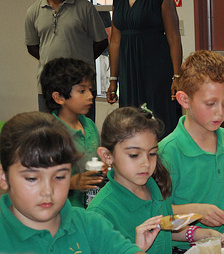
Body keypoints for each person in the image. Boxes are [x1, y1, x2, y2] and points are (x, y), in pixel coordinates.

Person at [87, 107, 224, 253]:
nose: (146, 163)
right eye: (134, 155)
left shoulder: (154, 186)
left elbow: (165, 229)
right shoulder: (99, 214)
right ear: (107, 156)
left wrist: (202, 234)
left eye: (152, 153)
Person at [0, 111, 145, 253]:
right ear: (3, 177)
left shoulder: (90, 225)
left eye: (60, 177)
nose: (48, 191)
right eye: (32, 178)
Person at [159, 50, 224, 251]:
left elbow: (217, 192)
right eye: (210, 104)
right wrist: (197, 212)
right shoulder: (168, 152)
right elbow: (158, 214)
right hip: (185, 247)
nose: (220, 112)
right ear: (184, 100)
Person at [106, 0, 182, 137]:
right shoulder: (118, 2)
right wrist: (113, 80)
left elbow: (173, 37)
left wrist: (176, 76)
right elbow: (115, 42)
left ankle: (161, 156)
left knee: (158, 117)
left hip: (156, 68)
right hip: (128, 71)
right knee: (129, 120)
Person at [25, 0, 109, 121]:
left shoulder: (86, 8)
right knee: (50, 131)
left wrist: (80, 66)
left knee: (83, 132)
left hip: (80, 85)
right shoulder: (33, 11)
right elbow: (31, 46)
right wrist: (56, 67)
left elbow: (101, 41)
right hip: (49, 85)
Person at [41, 57, 103, 208]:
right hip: (64, 210)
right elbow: (41, 179)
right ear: (59, 97)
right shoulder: (51, 133)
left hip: (92, 207)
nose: (90, 96)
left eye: (89, 89)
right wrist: (73, 182)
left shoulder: (89, 125)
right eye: (82, 91)